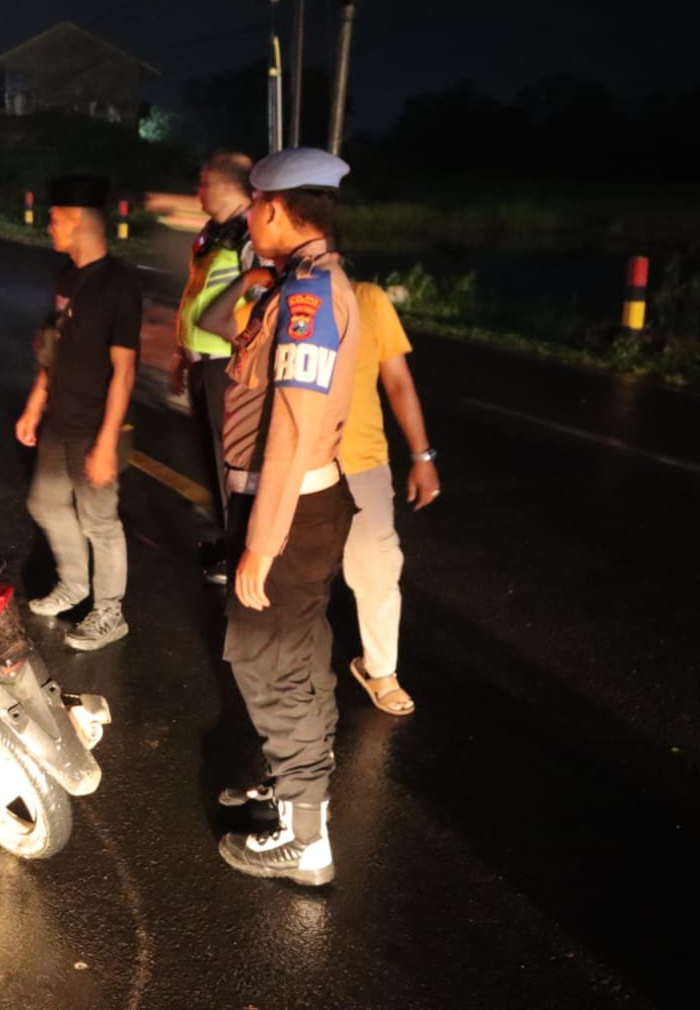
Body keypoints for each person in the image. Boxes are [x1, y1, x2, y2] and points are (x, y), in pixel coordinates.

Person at [206, 148, 360, 887]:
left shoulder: (308, 299)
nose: (247, 219)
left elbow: (293, 428)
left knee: (268, 663)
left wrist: (261, 545)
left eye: (253, 208)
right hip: (295, 504)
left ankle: (305, 841)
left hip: (289, 509)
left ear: (272, 208)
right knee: (297, 656)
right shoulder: (302, 283)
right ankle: (298, 791)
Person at [17, 174, 142, 652]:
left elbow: (124, 371)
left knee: (99, 522)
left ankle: (111, 611)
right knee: (45, 503)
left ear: (77, 222)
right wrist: (35, 404)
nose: (49, 227)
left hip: (96, 425)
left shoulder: (118, 285)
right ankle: (74, 583)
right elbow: (53, 348)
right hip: (60, 420)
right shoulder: (66, 277)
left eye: (54, 220)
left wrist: (107, 441)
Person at [339, 281, 441, 716]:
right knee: (290, 575)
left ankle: (380, 669)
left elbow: (397, 381)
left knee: (378, 567)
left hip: (361, 461)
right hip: (294, 464)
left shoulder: (368, 300)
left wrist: (422, 456)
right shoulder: (276, 297)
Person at [170, 151, 257, 585]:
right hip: (202, 362)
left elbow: (261, 305)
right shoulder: (215, 232)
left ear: (226, 185)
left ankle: (242, 552)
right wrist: (181, 354)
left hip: (229, 365)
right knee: (212, 461)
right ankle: (228, 541)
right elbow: (195, 293)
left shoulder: (251, 236)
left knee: (232, 465)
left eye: (204, 182)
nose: (198, 191)